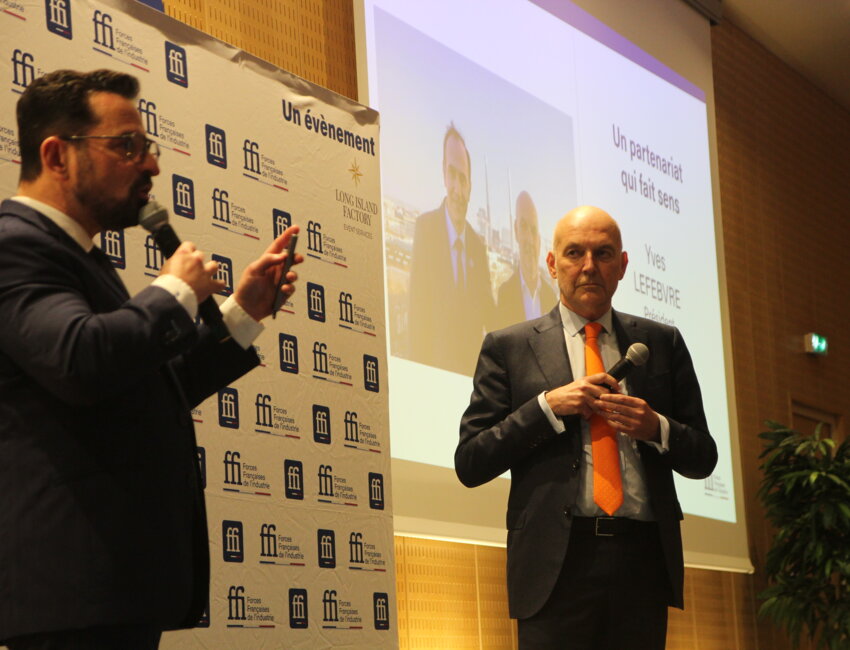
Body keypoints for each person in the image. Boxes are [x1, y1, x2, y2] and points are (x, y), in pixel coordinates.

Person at [0, 69, 302, 649]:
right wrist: (175, 290)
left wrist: (242, 311)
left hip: (112, 592)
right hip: (71, 595)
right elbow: (79, 360)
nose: (151, 167)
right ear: (56, 155)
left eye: (149, 148)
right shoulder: (16, 246)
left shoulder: (78, 258)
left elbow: (149, 388)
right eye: (127, 147)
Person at [455, 205, 717, 649]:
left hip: (642, 562)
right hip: (555, 564)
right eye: (575, 253)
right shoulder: (509, 347)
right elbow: (471, 461)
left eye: (604, 253)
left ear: (623, 266)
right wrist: (546, 407)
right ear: (552, 264)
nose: (589, 266)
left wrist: (657, 428)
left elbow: (703, 457)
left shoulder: (660, 343)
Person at [407, 123, 493, 376]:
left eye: (463, 178)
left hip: (471, 389)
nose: (457, 187)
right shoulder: (425, 229)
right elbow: (416, 316)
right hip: (433, 381)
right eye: (452, 175)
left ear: (471, 184)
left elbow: (489, 318)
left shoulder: (478, 247)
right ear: (444, 175)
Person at [495, 190, 556, 329]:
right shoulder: (505, 295)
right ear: (516, 231)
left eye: (533, 230)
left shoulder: (551, 297)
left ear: (539, 241)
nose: (529, 238)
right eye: (523, 227)